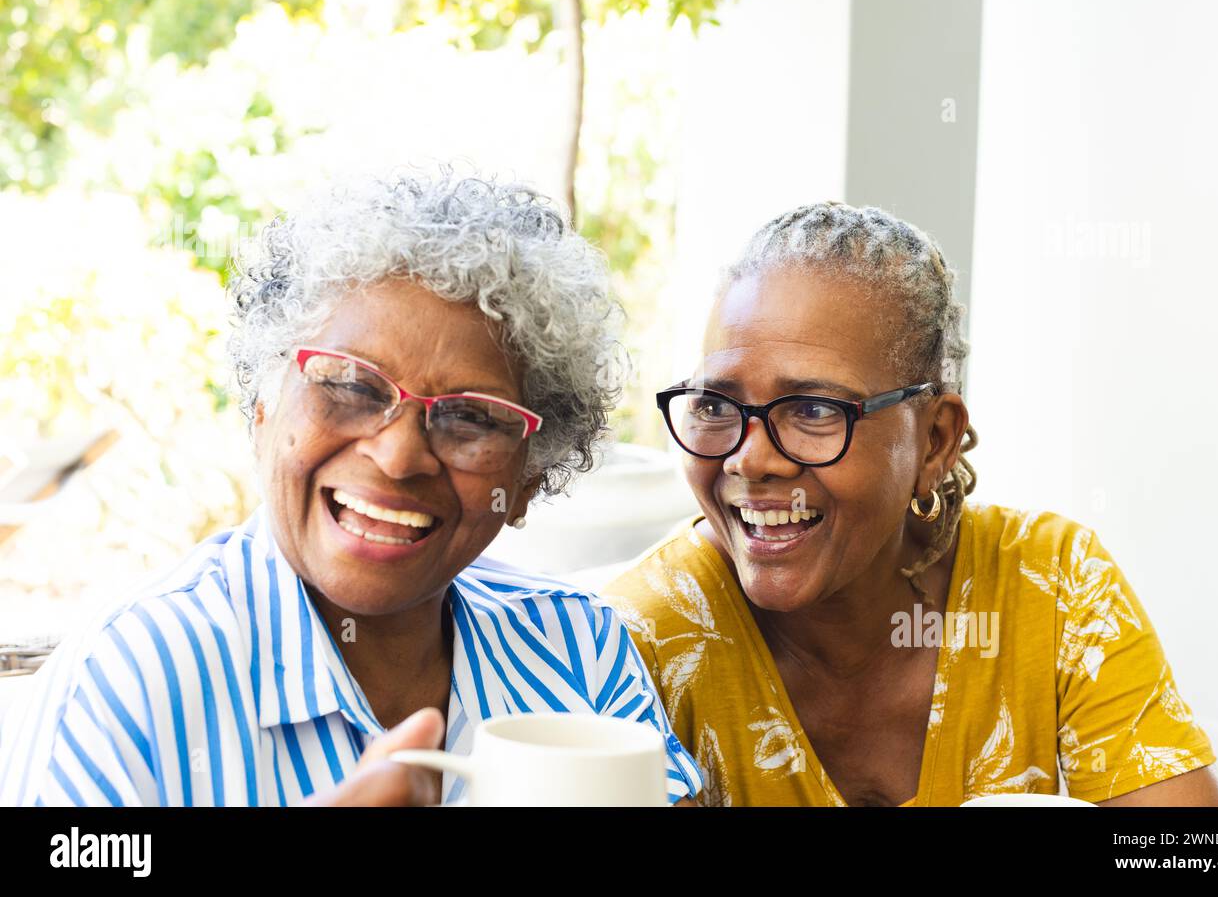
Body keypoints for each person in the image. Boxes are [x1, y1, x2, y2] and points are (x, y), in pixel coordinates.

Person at [0, 166, 701, 806]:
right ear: (265, 405)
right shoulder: (126, 680)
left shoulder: (579, 650)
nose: (398, 456)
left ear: (526, 479)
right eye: (348, 384)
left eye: (469, 417)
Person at [603, 202, 1218, 806]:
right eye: (715, 405)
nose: (752, 460)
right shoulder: (638, 641)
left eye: (815, 410)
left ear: (934, 441)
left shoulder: (1052, 585)